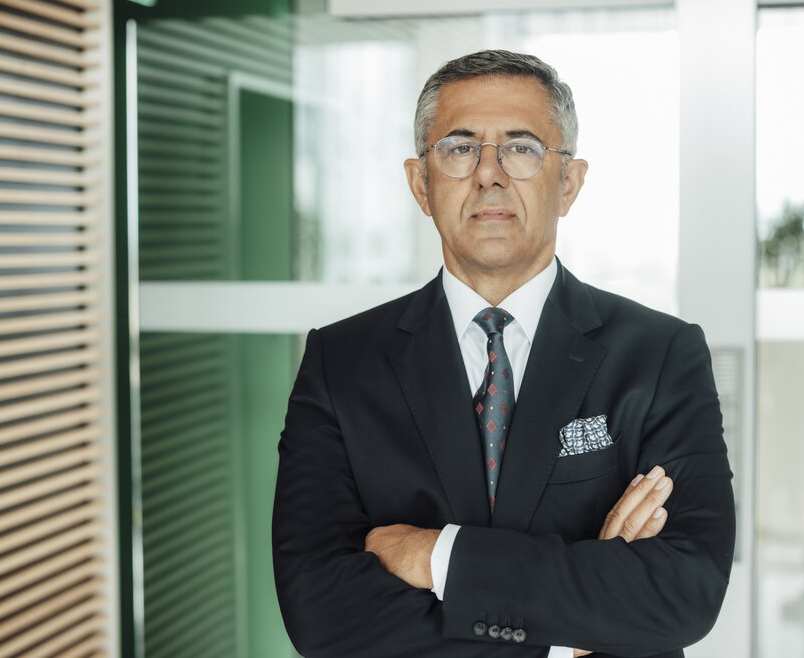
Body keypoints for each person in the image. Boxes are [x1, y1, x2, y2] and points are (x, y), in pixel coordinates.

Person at [272, 49, 734, 658]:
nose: (489, 174)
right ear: (421, 184)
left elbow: (685, 591)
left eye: (521, 148)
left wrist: (434, 554)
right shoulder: (340, 363)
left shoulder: (661, 354)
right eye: (460, 148)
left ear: (568, 182)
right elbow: (319, 611)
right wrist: (575, 627)